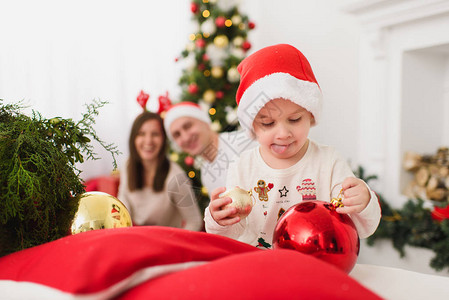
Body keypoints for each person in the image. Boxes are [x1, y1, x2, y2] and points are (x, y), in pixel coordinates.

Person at [204, 44, 381, 248]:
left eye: (295, 119)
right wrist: (218, 219)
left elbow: (363, 228)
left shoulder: (328, 162)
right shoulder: (242, 166)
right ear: (252, 126)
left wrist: (364, 201)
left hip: (315, 263)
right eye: (268, 123)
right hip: (260, 267)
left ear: (310, 116)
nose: (283, 134)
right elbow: (230, 236)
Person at [118, 111, 203, 231]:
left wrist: (176, 246)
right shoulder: (127, 166)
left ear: (164, 139)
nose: (148, 141)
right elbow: (122, 202)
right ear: (133, 138)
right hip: (134, 236)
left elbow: (194, 221)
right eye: (141, 134)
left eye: (155, 134)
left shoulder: (176, 177)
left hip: (166, 241)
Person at [163, 102, 258, 196]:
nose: (185, 138)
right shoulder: (206, 176)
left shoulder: (245, 143)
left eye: (188, 126)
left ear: (205, 122)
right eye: (177, 135)